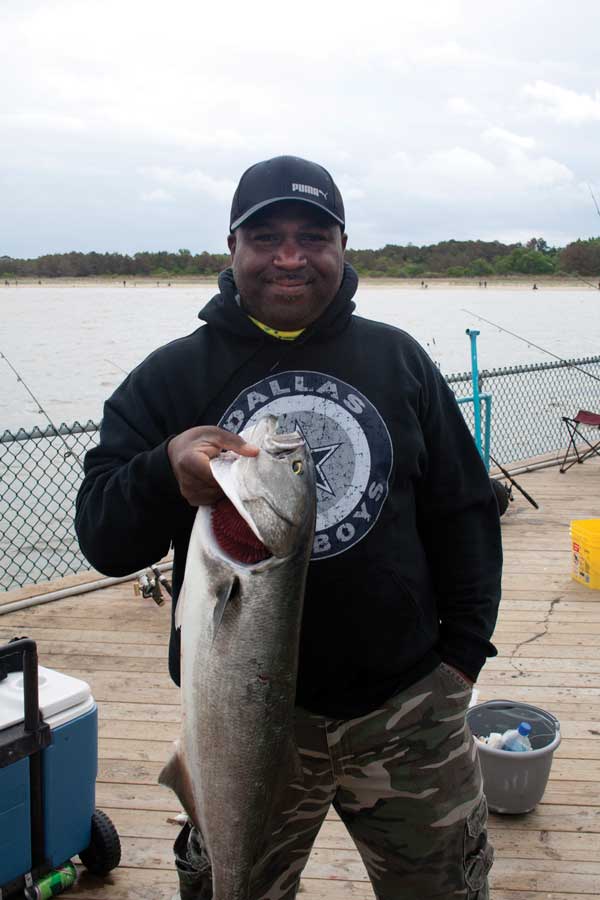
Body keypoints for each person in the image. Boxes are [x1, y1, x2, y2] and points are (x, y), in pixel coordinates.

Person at [75, 155, 501, 900]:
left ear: (343, 246)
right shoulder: (173, 376)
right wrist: (159, 471)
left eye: (313, 236)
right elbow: (103, 540)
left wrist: (462, 653)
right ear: (232, 247)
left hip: (406, 710)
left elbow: (463, 509)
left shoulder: (399, 360)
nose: (290, 257)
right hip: (237, 727)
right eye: (266, 236)